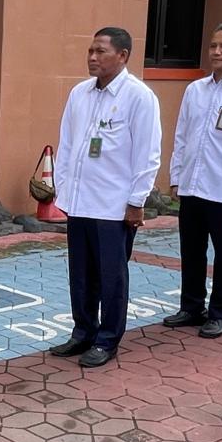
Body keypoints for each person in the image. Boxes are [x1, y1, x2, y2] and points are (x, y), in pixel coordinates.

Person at [50, 27, 162, 368]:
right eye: (90, 51)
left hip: (113, 206)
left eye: (100, 51)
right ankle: (83, 330)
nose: (92, 57)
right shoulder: (79, 93)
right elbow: (67, 144)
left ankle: (107, 339)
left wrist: (136, 201)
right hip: (80, 201)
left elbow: (148, 154)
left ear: (123, 55)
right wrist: (63, 190)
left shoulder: (139, 97)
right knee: (81, 274)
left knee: (111, 277)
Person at [163, 22, 222, 339]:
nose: (217, 52)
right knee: (191, 250)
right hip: (192, 185)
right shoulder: (195, 90)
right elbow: (182, 135)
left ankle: (219, 312)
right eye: (213, 46)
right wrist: (176, 176)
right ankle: (191, 306)